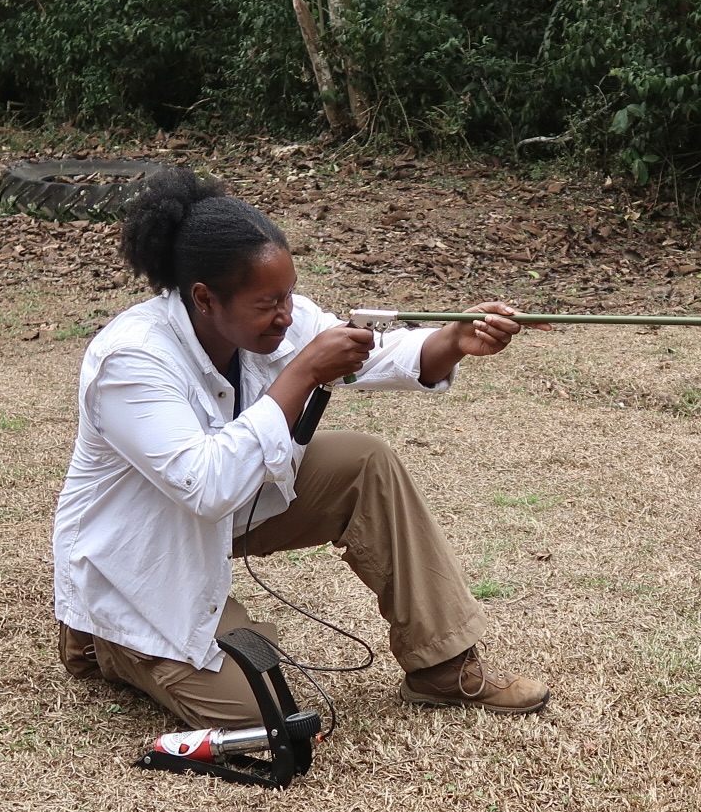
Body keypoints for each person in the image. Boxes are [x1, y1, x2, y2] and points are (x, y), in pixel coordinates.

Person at [52, 166, 549, 730]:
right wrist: (303, 374)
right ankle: (106, 642)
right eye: (268, 303)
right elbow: (204, 486)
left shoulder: (280, 321)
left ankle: (442, 667)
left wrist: (451, 341)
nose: (287, 315)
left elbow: (378, 354)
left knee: (367, 463)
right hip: (145, 556)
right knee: (266, 717)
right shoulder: (132, 359)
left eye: (289, 295)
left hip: (234, 511)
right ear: (204, 298)